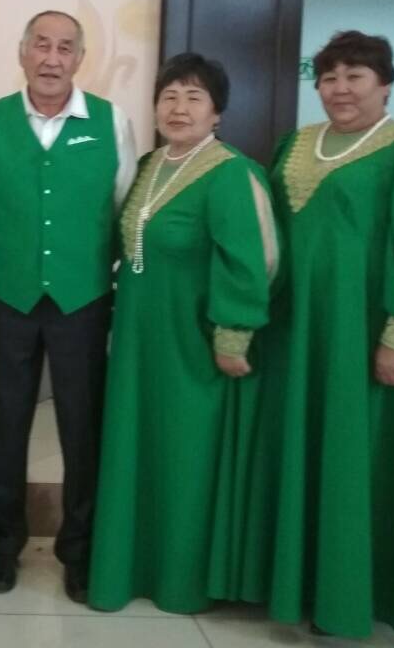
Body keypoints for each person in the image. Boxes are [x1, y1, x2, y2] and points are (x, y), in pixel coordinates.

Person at [241, 30, 394, 639]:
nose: (340, 89)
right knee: (300, 449)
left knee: (353, 455)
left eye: (355, 77)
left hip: (364, 334)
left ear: (385, 84)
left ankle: (349, 594)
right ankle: (292, 582)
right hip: (297, 332)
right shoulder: (294, 145)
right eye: (329, 77)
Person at [88, 52, 277, 614]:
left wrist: (233, 333)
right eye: (169, 96)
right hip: (139, 338)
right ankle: (130, 568)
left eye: (195, 97)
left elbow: (255, 260)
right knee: (139, 449)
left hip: (194, 342)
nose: (179, 107)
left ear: (217, 112)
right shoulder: (148, 166)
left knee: (186, 456)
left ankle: (182, 581)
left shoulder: (232, 172)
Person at [0, 10, 137, 601]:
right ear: (22, 53)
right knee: (4, 427)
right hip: (9, 298)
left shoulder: (112, 121)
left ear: (79, 59)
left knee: (82, 428)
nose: (51, 58)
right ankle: (1, 545)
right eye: (41, 45)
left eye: (64, 48)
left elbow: (123, 210)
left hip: (82, 300)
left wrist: (107, 285)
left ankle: (81, 550)